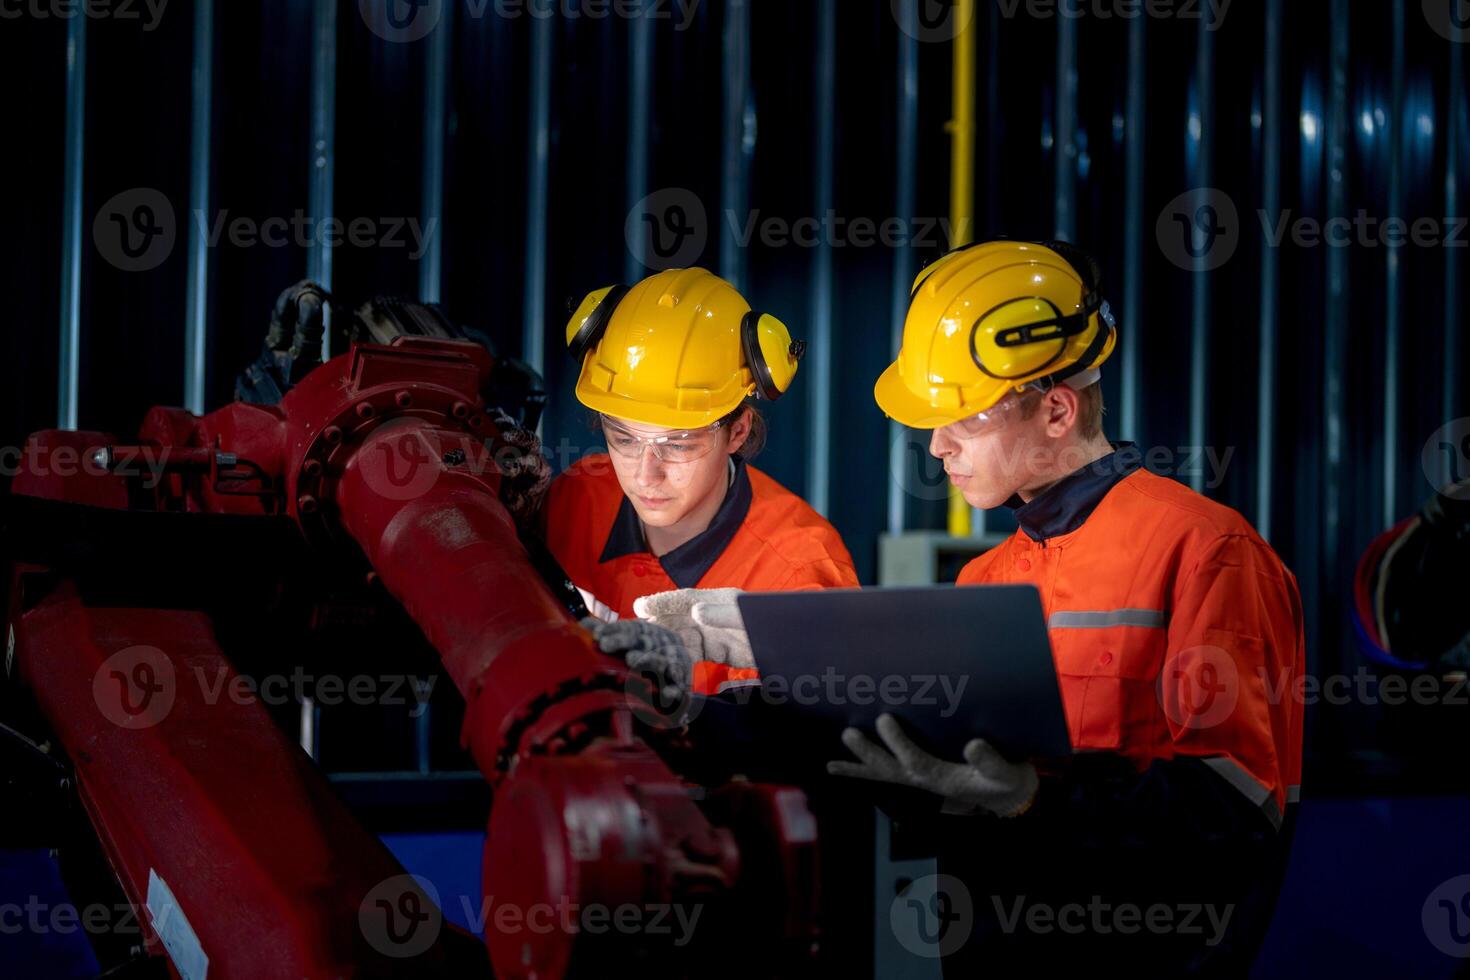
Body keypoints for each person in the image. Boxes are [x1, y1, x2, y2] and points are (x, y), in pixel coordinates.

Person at [543, 267, 858, 698]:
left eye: (677, 445)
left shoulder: (796, 574)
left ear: (738, 431)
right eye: (624, 439)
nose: (644, 473)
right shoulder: (573, 500)